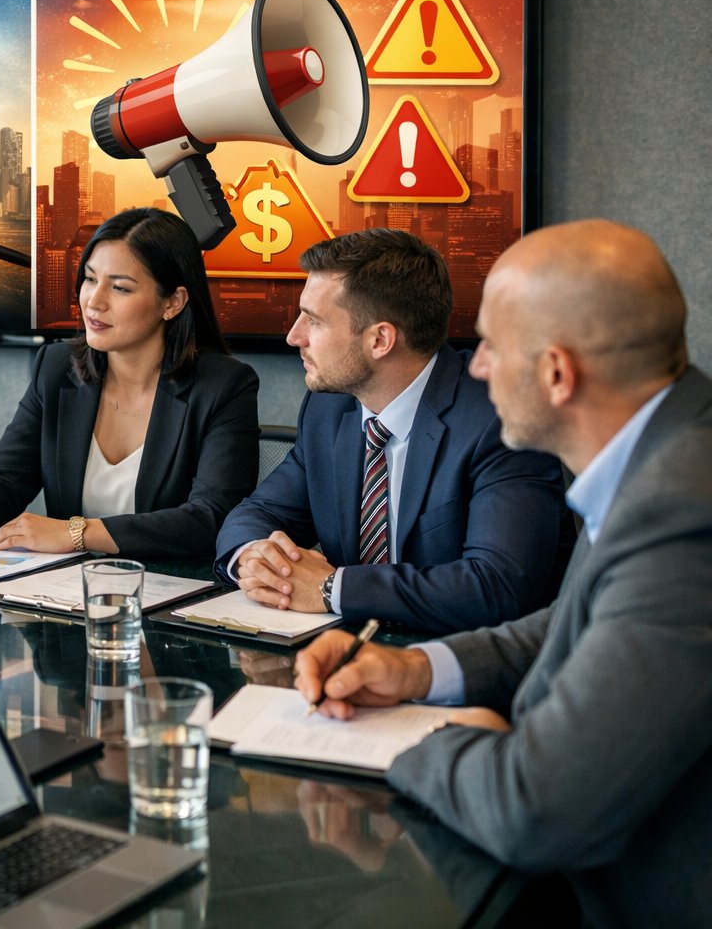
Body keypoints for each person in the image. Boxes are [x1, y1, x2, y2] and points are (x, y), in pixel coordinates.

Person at [293, 220, 712, 925]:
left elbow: (538, 809)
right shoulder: (668, 449)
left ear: (556, 374)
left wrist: (421, 738)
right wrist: (415, 671)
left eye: (490, 345)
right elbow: (577, 621)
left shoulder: (682, 511)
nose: (476, 368)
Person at [213, 228, 573, 632]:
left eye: (314, 321)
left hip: (468, 658)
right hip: (347, 652)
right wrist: (254, 557)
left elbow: (497, 586)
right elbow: (259, 512)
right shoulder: (328, 407)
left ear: (380, 339)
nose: (294, 336)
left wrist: (333, 589)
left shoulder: (500, 419)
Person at [0, 208, 259, 558]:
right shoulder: (56, 368)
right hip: (68, 587)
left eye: (120, 287)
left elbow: (211, 519)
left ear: (172, 302)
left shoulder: (224, 386)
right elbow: (5, 484)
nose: (94, 301)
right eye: (90, 279)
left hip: (170, 583)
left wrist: (76, 533)